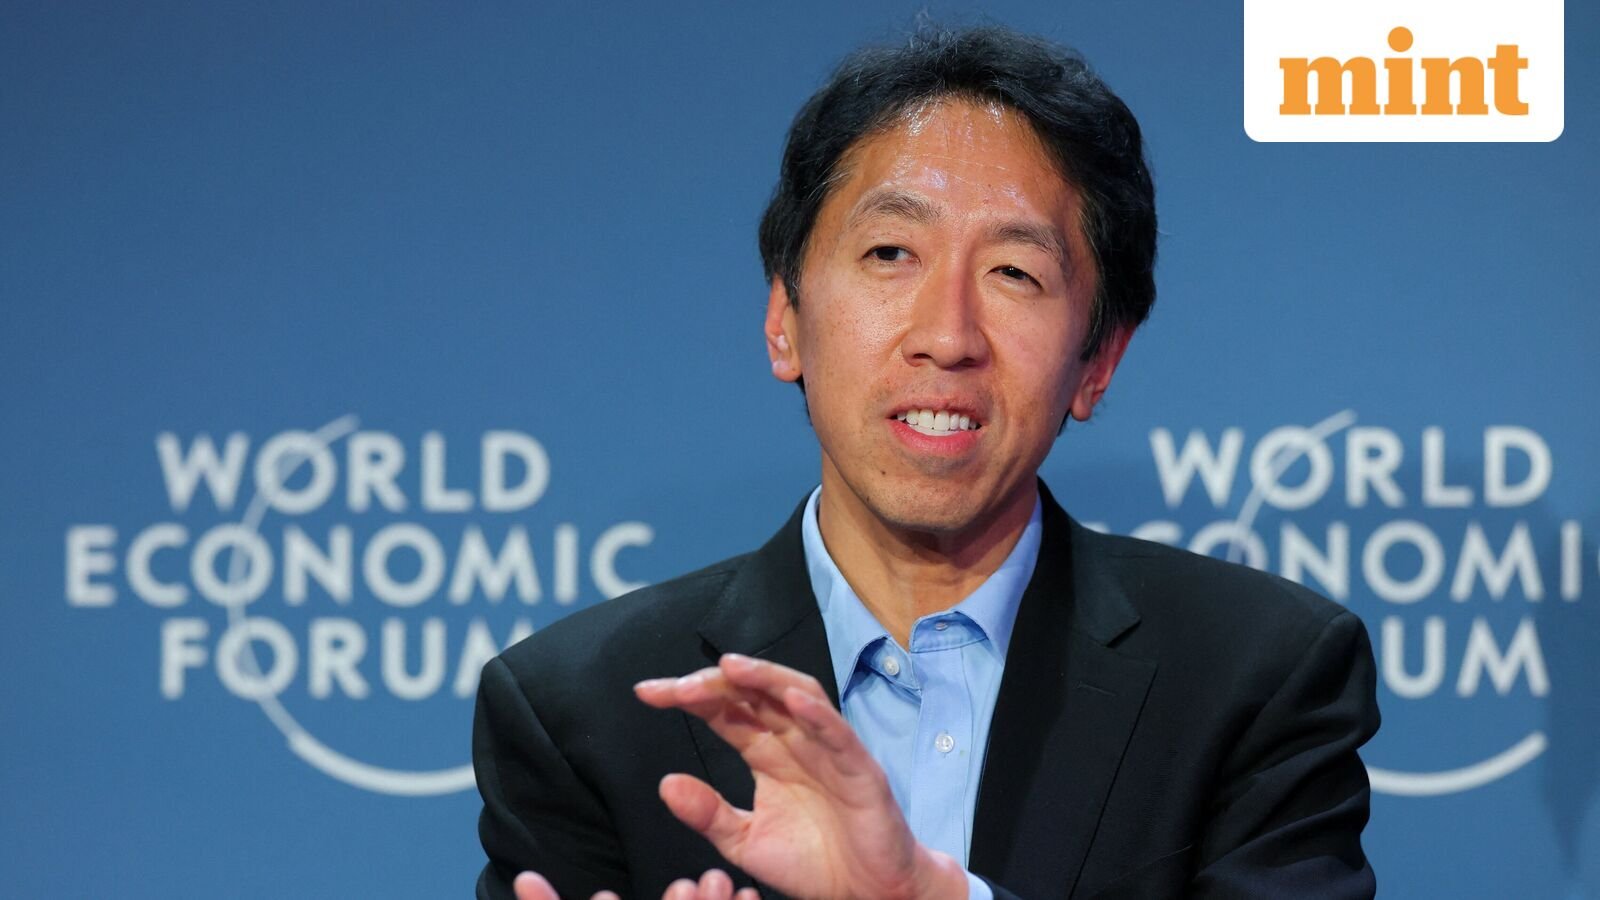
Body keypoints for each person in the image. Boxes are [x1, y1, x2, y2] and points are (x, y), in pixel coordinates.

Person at [474, 23, 1380, 900]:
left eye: (1014, 272)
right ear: (785, 320)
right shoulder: (584, 712)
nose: (947, 336)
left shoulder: (1255, 678)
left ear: (1097, 361)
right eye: (890, 252)